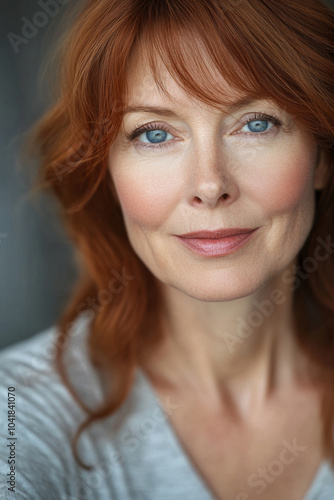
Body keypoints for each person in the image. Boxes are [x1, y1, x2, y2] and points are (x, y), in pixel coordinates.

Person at [1, 0, 334, 499]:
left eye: (257, 123)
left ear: (321, 158)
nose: (209, 184)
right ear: (108, 174)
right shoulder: (16, 411)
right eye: (154, 134)